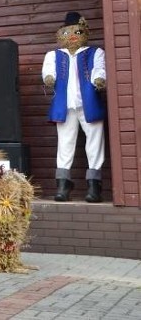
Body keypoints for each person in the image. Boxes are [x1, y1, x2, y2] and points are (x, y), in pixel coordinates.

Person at [42, 12, 106, 203]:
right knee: (65, 144)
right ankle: (63, 185)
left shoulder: (95, 52)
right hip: (65, 105)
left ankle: (94, 187)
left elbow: (99, 69)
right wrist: (49, 78)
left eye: (77, 31)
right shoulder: (54, 55)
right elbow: (48, 70)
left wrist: (99, 79)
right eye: (67, 32)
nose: (72, 36)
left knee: (95, 143)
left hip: (89, 104)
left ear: (83, 32)